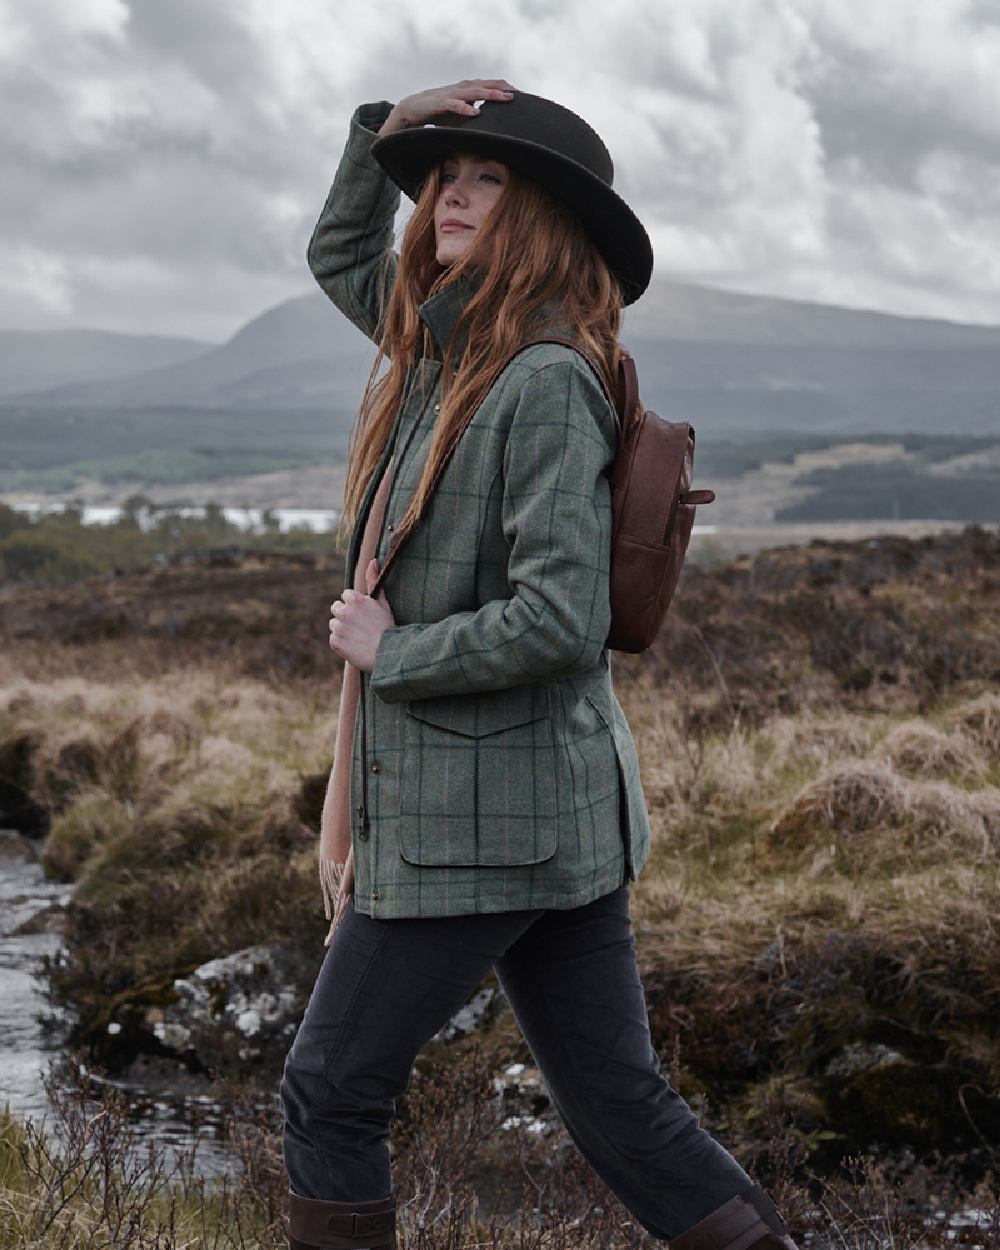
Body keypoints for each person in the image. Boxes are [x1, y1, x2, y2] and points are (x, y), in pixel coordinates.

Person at [279, 80, 797, 1250]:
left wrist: (391, 648)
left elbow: (558, 621)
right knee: (620, 1105)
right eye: (443, 181)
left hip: (484, 824)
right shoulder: (439, 345)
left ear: (540, 217)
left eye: (485, 181)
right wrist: (386, 121)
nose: (451, 197)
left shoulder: (543, 380)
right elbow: (337, 245)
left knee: (327, 1090)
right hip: (551, 821)